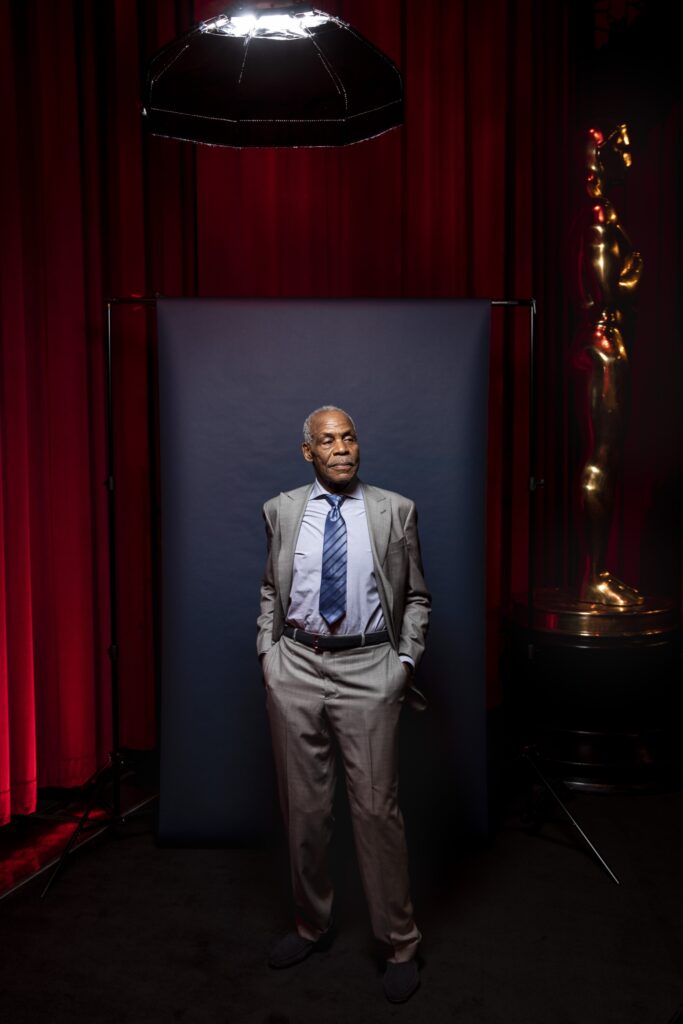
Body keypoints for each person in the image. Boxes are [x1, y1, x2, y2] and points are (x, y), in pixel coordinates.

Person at [257, 405, 430, 1003]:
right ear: (308, 451)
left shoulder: (395, 510)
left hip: (369, 669)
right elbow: (270, 589)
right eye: (327, 440)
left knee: (376, 814)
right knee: (304, 811)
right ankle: (311, 923)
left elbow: (417, 598)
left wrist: (403, 663)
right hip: (297, 667)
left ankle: (399, 942)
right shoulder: (281, 510)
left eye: (350, 437)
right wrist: (269, 654)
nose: (341, 448)